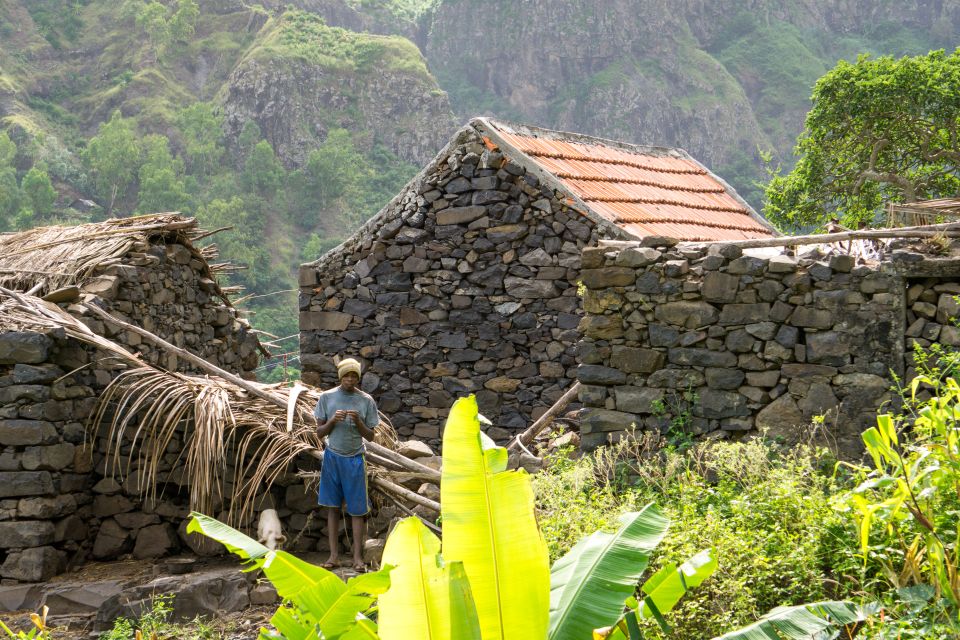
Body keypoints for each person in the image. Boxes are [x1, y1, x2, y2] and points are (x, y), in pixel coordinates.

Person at [314, 357, 379, 571]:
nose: (350, 380)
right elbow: (319, 432)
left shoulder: (366, 400)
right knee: (332, 507)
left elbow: (370, 436)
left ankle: (357, 558)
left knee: (357, 510)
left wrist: (358, 421)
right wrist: (333, 420)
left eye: (354, 376)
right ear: (340, 377)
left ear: (358, 378)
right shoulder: (327, 397)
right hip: (332, 456)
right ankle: (333, 557)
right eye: (347, 376)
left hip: (355, 458)